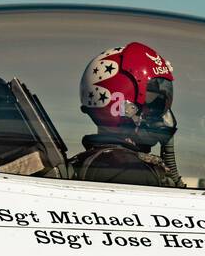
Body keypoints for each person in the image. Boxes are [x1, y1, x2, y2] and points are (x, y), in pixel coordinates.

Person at [72, 42, 183, 187]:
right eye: (153, 104)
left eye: (160, 103)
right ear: (122, 106)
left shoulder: (94, 161)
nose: (163, 116)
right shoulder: (128, 172)